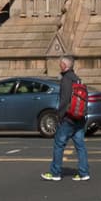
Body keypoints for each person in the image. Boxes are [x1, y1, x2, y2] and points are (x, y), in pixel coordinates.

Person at [41, 54, 90, 182]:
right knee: (80, 146)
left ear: (65, 65)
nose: (59, 65)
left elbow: (64, 101)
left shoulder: (66, 80)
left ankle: (55, 173)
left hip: (69, 117)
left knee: (59, 143)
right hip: (80, 117)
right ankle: (84, 173)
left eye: (61, 63)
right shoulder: (77, 79)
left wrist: (60, 116)